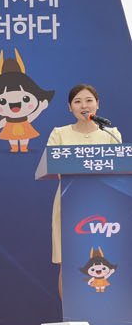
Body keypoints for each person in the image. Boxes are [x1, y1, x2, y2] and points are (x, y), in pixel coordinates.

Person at [40, 83, 122, 267]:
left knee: (103, 261)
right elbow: (51, 165)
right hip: (68, 202)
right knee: (68, 264)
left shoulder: (111, 134)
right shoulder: (59, 134)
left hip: (104, 204)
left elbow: (118, 169)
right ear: (70, 107)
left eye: (89, 100)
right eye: (77, 102)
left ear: (97, 104)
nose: (84, 106)